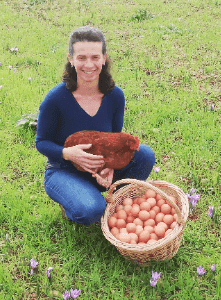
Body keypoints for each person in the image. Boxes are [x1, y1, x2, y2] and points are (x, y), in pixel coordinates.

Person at [35, 26, 155, 225]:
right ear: (71, 59)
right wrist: (68, 153)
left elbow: (114, 141)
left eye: (95, 57)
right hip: (63, 169)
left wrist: (108, 167)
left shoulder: (115, 96)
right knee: (91, 210)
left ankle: (117, 204)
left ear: (104, 58)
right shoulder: (56, 99)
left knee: (144, 155)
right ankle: (78, 202)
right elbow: (41, 143)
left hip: (98, 168)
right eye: (81, 58)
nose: (88, 64)